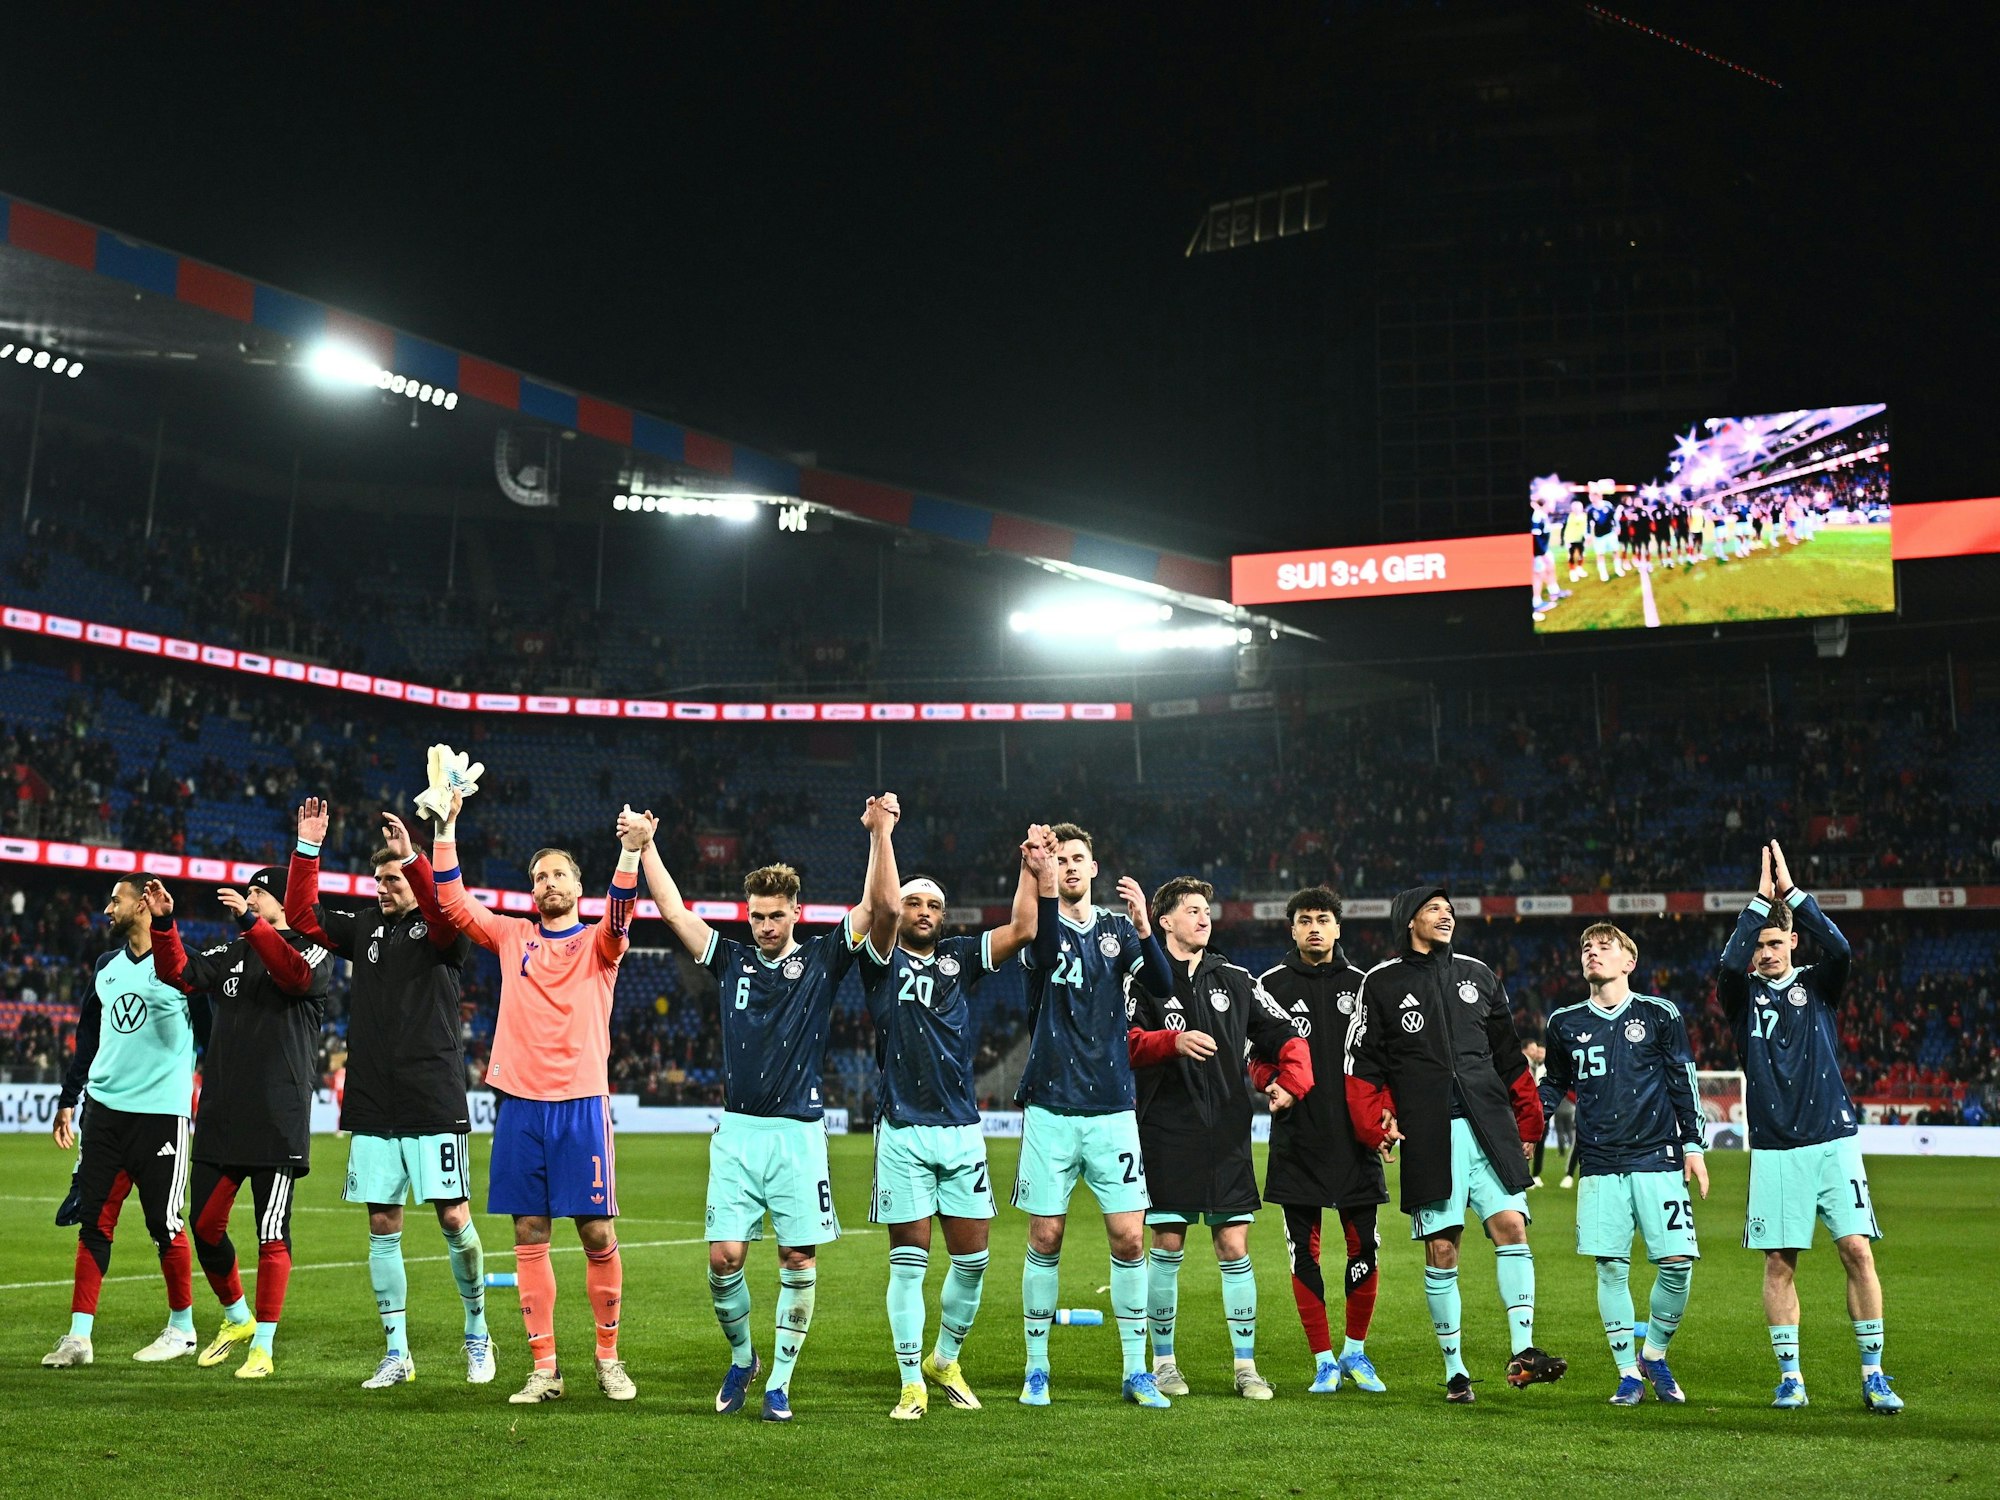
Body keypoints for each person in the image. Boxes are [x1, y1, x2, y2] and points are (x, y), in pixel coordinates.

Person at [625, 796, 896, 1423]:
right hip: (739, 1133)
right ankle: (743, 1358)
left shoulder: (823, 958)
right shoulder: (731, 959)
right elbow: (672, 911)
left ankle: (780, 1381)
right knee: (724, 1258)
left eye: (776, 916)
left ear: (796, 911)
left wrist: (879, 835)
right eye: (757, 916)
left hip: (798, 1134)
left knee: (797, 1258)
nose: (766, 927)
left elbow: (879, 907)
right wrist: (646, 846)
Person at [428, 783, 641, 1404]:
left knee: (596, 1232)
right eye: (539, 876)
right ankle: (545, 1369)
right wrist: (445, 828)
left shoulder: (600, 944)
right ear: (532, 891)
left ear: (578, 887)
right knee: (528, 1231)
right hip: (520, 1104)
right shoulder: (513, 936)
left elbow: (621, 914)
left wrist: (630, 852)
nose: (549, 882)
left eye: (559, 874)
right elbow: (452, 902)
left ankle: (608, 1359)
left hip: (581, 1103)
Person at [285, 797, 491, 1389]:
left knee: (453, 1217)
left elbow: (444, 910)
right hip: (374, 1097)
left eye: (393, 879)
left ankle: (477, 1332)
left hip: (433, 1094)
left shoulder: (444, 930)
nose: (383, 888)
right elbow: (301, 915)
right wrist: (307, 849)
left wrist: (415, 858)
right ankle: (397, 1352)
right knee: (381, 1222)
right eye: (378, 880)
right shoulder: (363, 928)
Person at [860, 818, 1052, 1419]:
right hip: (902, 1131)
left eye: (933, 905)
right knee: (909, 1263)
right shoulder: (879, 960)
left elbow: (1025, 928)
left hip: (962, 1129)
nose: (922, 911)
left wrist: (1028, 865)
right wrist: (883, 834)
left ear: (944, 917)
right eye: (913, 902)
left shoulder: (960, 957)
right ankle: (909, 1380)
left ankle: (944, 1359)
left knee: (972, 1261)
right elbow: (880, 905)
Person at [1346, 885, 1565, 1403]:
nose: (1446, 917)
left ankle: (1523, 1351)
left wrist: (1528, 1122)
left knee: (1512, 1227)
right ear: (1409, 920)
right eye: (1434, 910)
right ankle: (1455, 1370)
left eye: (1449, 911)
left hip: (1489, 1125)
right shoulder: (1381, 982)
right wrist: (1375, 1124)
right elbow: (1363, 1063)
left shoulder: (1478, 974)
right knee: (1443, 1248)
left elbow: (1509, 1056)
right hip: (1429, 1133)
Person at [1718, 841, 1902, 1413]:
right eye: (1759, 944)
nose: (1765, 952)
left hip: (1833, 1142)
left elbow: (1841, 947)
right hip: (1775, 1149)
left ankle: (1873, 1374)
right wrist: (1757, 904)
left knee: (1857, 1251)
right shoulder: (1740, 995)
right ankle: (1791, 1378)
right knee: (1779, 1262)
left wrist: (1793, 894)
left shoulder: (1819, 985)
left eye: (1775, 942)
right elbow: (1728, 965)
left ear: (1794, 942)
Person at [1126, 876, 1311, 1401]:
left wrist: (1290, 1081)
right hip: (1166, 1131)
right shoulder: (1141, 979)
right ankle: (1164, 1363)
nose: (1204, 917)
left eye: (1206, 909)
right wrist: (1172, 1041)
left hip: (1228, 1133)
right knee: (1167, 1244)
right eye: (1191, 910)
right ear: (1164, 921)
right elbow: (1124, 1041)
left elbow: (1286, 1034)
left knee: (1234, 1245)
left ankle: (1246, 1367)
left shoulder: (1235, 978)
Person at [1012, 822, 1174, 1409]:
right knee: (1045, 1234)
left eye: (1078, 858)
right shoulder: (1037, 924)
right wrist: (1041, 880)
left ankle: (1136, 1370)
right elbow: (1044, 951)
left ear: (1094, 866)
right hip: (1051, 1106)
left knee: (1130, 1238)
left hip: (1111, 1108)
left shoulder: (1115, 929)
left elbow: (1162, 985)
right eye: (1061, 859)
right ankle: (1037, 1368)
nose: (1070, 866)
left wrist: (1145, 929)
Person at [152, 869, 334, 1379]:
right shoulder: (234, 950)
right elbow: (180, 972)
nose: (249, 898)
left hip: (277, 1115)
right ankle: (237, 1317)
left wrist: (253, 925)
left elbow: (294, 976)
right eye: (248, 892)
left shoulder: (314, 950)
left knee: (271, 1231)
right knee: (205, 1226)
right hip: (222, 1113)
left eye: (259, 892)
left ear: (283, 901)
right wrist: (165, 924)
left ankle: (264, 1348)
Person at [1541, 924, 1707, 1406]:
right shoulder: (1564, 1022)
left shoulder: (1659, 1014)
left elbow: (1682, 1079)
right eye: (1585, 948)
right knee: (1611, 1267)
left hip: (1658, 1157)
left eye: (1604, 947)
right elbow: (1553, 1082)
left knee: (1677, 1265)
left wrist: (1693, 1146)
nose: (1592, 953)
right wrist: (1529, 1123)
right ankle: (1628, 1374)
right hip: (1599, 1163)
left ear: (1629, 962)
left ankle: (1653, 1354)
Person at [42, 878, 202, 1368]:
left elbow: (212, 1036)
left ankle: (182, 1328)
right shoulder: (106, 967)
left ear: (143, 904)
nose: (108, 908)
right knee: (94, 1222)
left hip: (161, 1115)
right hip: (105, 1112)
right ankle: (78, 1338)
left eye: (116, 900)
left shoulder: (184, 964)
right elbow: (88, 1038)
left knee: (165, 1223)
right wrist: (69, 1098)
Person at [1255, 887, 1389, 1394]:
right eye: (1305, 920)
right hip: (1299, 1139)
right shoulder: (1270, 985)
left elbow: (1382, 1058)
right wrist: (1272, 1082)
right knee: (1304, 1253)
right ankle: (1324, 1360)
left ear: (1338, 927)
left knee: (1364, 1246)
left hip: (1356, 1140)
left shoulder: (1364, 985)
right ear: (1292, 929)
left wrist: (1386, 1112)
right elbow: (1255, 1054)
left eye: (1324, 919)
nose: (1315, 927)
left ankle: (1355, 1350)